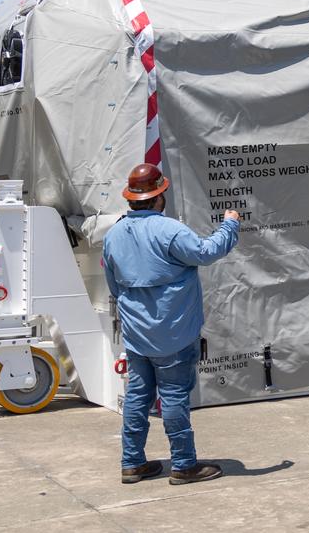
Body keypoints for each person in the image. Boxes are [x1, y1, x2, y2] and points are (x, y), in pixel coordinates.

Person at [103, 163, 241, 485]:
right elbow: (206, 253)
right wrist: (230, 225)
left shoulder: (113, 236)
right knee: (175, 395)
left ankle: (132, 463)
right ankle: (183, 465)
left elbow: (114, 286)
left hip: (137, 335)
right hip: (174, 333)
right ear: (158, 196)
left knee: (138, 397)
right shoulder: (169, 231)